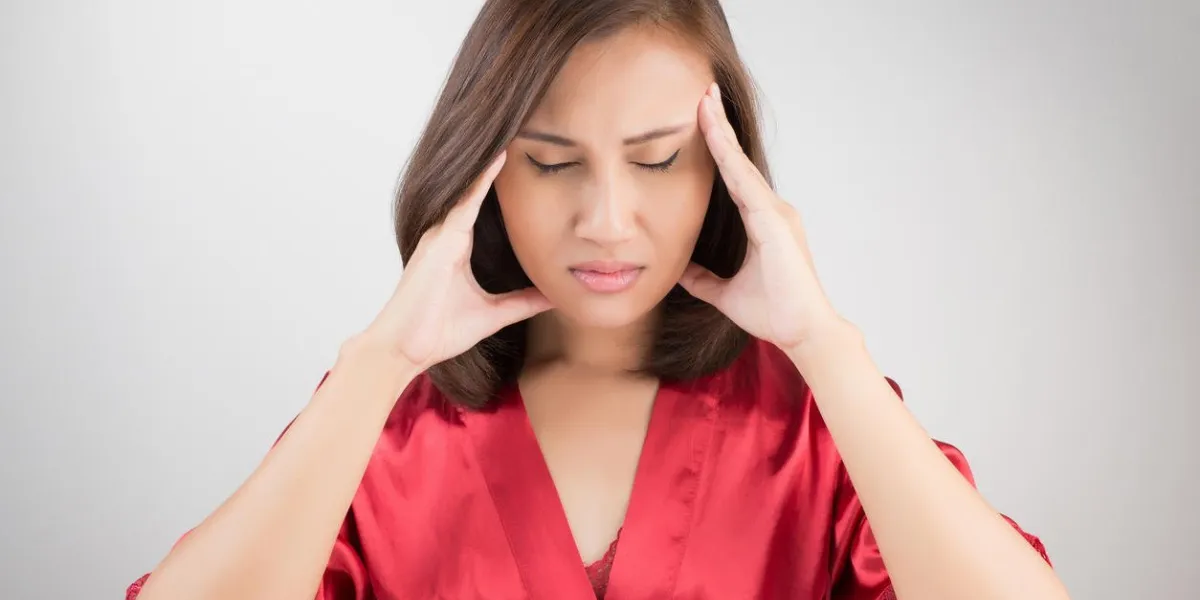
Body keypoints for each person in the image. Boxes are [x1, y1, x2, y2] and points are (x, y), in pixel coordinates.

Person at [128, 1, 1069, 598]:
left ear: (724, 170)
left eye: (657, 160)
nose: (607, 222)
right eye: (550, 163)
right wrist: (378, 362)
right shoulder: (380, 432)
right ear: (483, 170)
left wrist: (825, 344)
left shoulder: (815, 425)